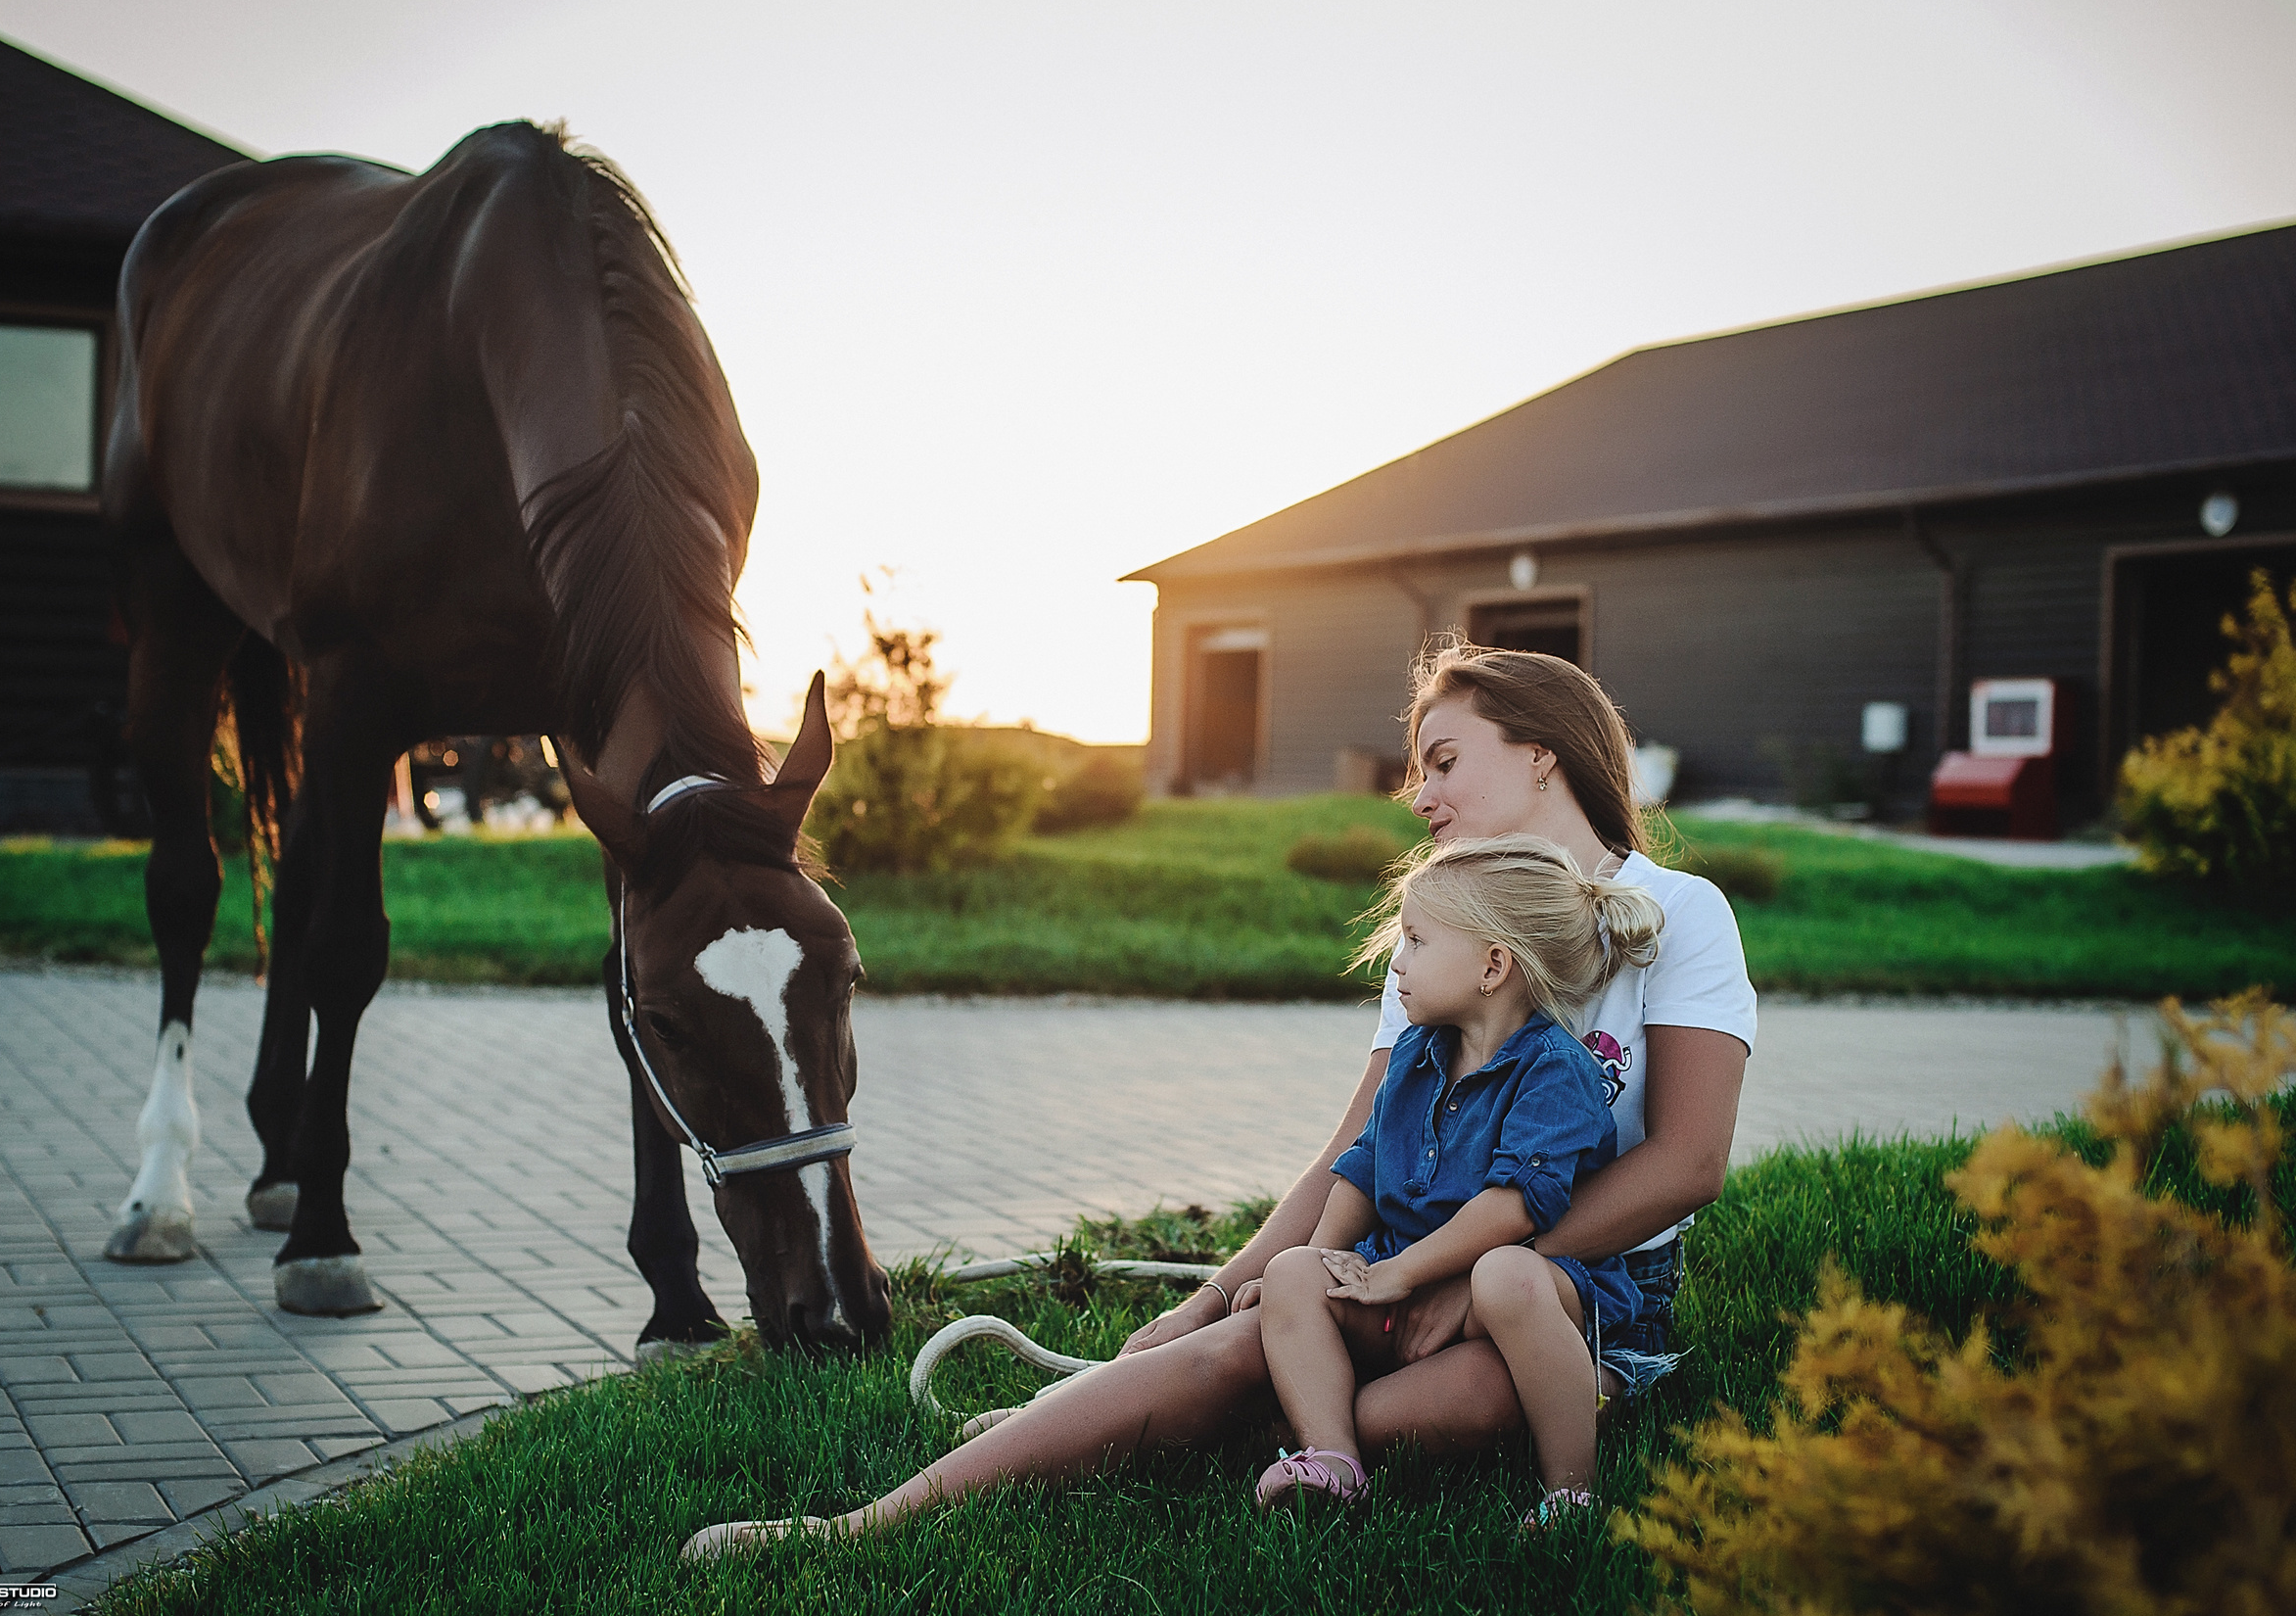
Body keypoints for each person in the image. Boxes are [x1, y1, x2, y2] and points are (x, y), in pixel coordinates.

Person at [681, 642, 1754, 1559]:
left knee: (1425, 1398)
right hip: (1409, 1264)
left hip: (1568, 1296)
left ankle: (1210, 1421)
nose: (1419, 797)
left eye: (1443, 761)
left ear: (1539, 752)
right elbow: (1357, 1149)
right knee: (1236, 1338)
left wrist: (1476, 1274)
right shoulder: (1442, 934)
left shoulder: (1676, 912)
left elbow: (1686, 1162)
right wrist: (1209, 1297)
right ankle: (865, 1520)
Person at [1254, 834, 1663, 1524]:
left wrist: (1405, 1271)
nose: (1398, 961)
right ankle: (1333, 1459)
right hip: (1404, 1278)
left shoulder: (1554, 1070)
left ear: (1492, 964)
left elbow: (1515, 1208)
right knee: (1293, 1272)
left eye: (1416, 940)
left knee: (1506, 1273)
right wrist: (1324, 1257)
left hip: (1514, 1297)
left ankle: (1572, 1488)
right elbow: (1363, 1163)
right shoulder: (1417, 1053)